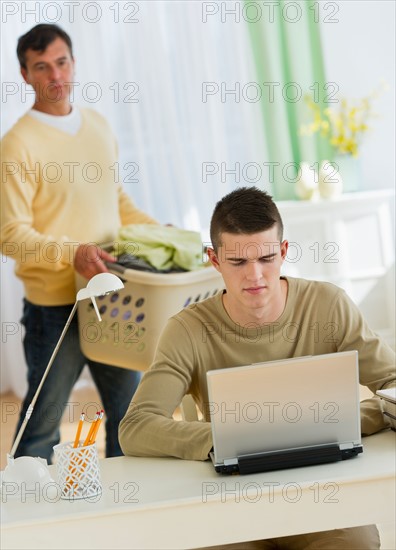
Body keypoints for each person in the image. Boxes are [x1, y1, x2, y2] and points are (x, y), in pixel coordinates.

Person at [119, 186, 395, 549]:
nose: (255, 276)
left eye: (266, 258)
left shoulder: (329, 306)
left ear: (283, 252)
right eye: (238, 263)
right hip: (231, 505)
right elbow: (136, 427)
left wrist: (341, 419)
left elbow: (391, 384)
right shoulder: (186, 330)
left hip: (323, 499)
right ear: (214, 260)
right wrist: (227, 436)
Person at [0, 24, 157, 461]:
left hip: (111, 301)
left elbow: (117, 202)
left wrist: (164, 234)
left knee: (130, 420)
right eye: (42, 67)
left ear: (74, 62)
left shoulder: (98, 126)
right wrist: (74, 252)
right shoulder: (16, 145)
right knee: (41, 431)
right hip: (56, 308)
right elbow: (10, 236)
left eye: (62, 62)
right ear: (25, 74)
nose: (56, 76)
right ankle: (28, 521)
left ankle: (129, 516)